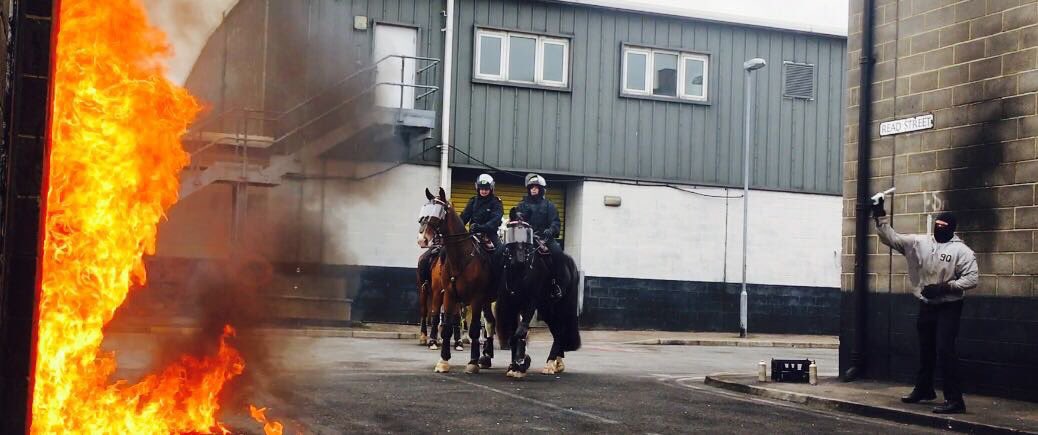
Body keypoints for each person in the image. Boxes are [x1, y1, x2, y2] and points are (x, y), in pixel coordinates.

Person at [872, 197, 978, 414]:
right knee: (926, 348)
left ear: (952, 230)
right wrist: (880, 215)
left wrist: (945, 288)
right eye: (937, 226)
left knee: (944, 349)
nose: (939, 229)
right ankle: (924, 389)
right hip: (927, 305)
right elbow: (892, 238)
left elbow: (972, 279)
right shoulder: (920, 243)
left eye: (943, 227)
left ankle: (955, 400)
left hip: (949, 306)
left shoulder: (962, 251)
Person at [514, 173, 564, 299]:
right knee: (508, 253)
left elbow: (556, 222)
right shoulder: (522, 204)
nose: (533, 189)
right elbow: (517, 218)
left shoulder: (549, 205)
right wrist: (519, 216)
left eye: (536, 187)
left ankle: (555, 284)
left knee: (558, 253)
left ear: (541, 189)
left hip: (544, 238)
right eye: (531, 187)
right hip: (526, 238)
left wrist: (551, 230)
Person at [461, 173, 504, 251]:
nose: (483, 191)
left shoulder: (496, 202)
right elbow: (464, 217)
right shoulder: (473, 201)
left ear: (491, 189)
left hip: (490, 235)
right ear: (478, 188)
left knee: (501, 250)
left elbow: (496, 220)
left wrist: (482, 227)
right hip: (472, 234)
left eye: (486, 189)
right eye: (481, 189)